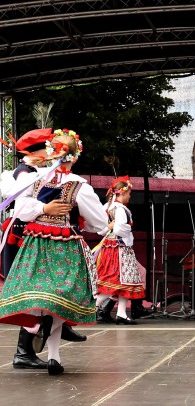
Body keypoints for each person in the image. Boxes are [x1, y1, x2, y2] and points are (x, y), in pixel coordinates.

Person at [0, 128, 108, 375]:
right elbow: (100, 224)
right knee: (63, 299)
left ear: (50, 151)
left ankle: (45, 341)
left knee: (40, 295)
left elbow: (19, 209)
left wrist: (43, 208)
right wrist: (83, 221)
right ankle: (53, 357)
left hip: (36, 242)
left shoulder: (33, 177)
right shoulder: (79, 185)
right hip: (65, 244)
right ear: (76, 156)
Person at [95, 176, 145, 325]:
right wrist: (127, 227)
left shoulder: (108, 207)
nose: (130, 196)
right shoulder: (120, 208)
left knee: (123, 283)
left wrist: (109, 227)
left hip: (111, 247)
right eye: (129, 193)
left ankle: (121, 313)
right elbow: (121, 229)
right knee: (114, 282)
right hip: (119, 249)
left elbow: (101, 229)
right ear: (122, 193)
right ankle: (91, 309)